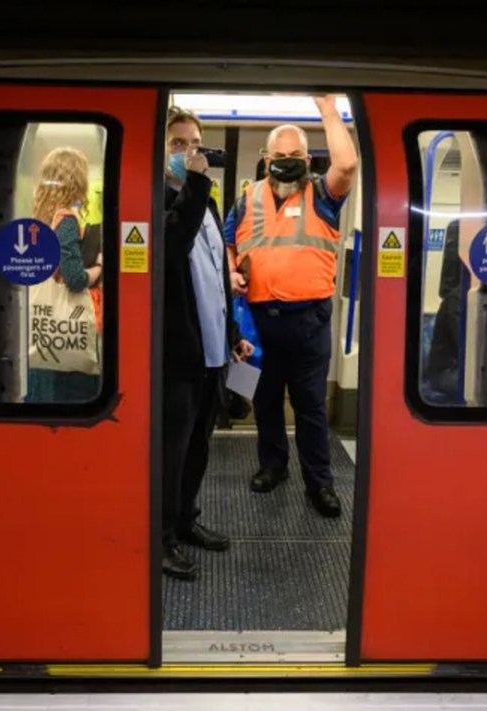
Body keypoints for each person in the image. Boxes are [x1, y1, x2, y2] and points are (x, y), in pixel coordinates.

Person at [223, 95, 358, 518]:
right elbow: (228, 242)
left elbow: (348, 166)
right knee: (265, 401)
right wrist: (230, 272)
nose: (286, 161)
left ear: (308, 158)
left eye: (295, 155)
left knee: (311, 406)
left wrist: (329, 110)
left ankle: (320, 483)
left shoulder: (322, 194)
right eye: (279, 156)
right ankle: (272, 466)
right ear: (265, 160)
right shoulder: (247, 199)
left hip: (309, 321)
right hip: (259, 322)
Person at [162, 105, 254, 581]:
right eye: (178, 144)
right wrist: (194, 184)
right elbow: (169, 249)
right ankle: (160, 540)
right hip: (176, 356)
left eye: (195, 144)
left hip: (212, 350)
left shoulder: (209, 205)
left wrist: (235, 334)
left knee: (199, 446)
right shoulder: (155, 199)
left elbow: (217, 275)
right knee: (170, 452)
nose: (190, 152)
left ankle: (185, 519)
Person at [25, 146, 103, 403]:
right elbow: (74, 278)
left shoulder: (39, 219)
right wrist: (100, 267)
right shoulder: (66, 219)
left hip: (44, 335)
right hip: (67, 351)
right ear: (77, 180)